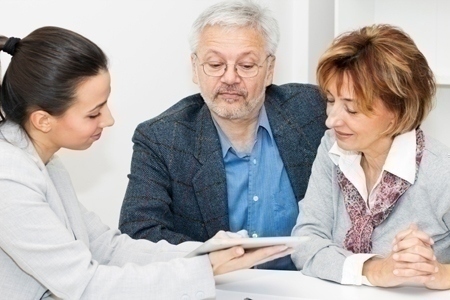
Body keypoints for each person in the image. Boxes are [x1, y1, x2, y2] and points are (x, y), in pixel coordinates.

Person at [0, 26, 292, 300]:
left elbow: (109, 247)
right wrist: (206, 269)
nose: (109, 120)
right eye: (94, 113)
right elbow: (85, 285)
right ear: (42, 120)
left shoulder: (45, 163)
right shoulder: (9, 178)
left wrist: (207, 253)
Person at [118, 0, 327, 271]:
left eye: (247, 65)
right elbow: (138, 233)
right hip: (218, 289)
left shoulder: (314, 111)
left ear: (270, 68)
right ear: (194, 67)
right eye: (215, 64)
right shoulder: (161, 138)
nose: (230, 78)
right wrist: (210, 259)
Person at [291, 24, 450, 289]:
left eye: (351, 110)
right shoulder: (332, 147)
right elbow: (305, 242)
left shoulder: (442, 172)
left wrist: (439, 274)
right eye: (331, 101)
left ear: (399, 111)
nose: (332, 121)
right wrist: (373, 270)